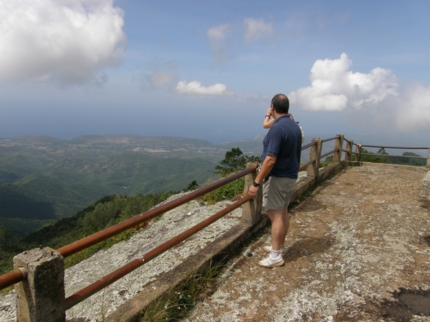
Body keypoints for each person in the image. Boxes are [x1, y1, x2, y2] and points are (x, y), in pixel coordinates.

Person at [248, 94, 302, 268]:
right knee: (283, 211)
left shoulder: (278, 129)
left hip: (279, 176)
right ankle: (279, 246)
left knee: (276, 215)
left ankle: (275, 256)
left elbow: (270, 159)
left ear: (272, 107)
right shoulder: (292, 124)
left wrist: (256, 183)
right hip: (291, 175)